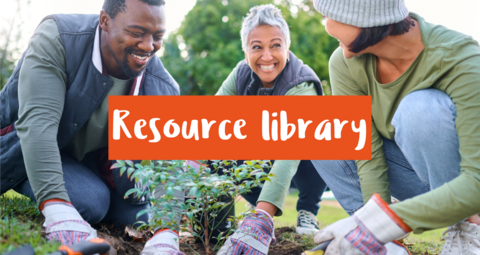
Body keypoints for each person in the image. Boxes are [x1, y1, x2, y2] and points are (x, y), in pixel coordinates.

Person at [0, 0, 185, 254]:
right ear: (105, 21)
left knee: (140, 218)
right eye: (136, 33)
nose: (148, 46)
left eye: (158, 36)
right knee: (92, 202)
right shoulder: (58, 36)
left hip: (89, 160)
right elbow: (38, 124)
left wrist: (167, 232)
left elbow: (171, 167)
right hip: (22, 143)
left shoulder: (163, 87)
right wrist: (57, 206)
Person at [308, 0, 480, 254]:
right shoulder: (346, 63)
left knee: (418, 109)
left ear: (361, 18)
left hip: (469, 185)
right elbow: (365, 150)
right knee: (318, 127)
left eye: (328, 16)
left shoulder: (459, 56)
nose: (326, 25)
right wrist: (373, 229)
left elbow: (474, 182)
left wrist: (384, 222)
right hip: (418, 179)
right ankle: (380, 245)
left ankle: (469, 230)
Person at [217, 4, 328, 254]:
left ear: (287, 48)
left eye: (275, 45)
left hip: (306, 155)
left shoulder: (301, 84)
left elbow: (288, 155)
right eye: (257, 47)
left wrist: (260, 222)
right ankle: (234, 219)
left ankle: (308, 209)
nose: (266, 57)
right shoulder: (240, 74)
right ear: (245, 50)